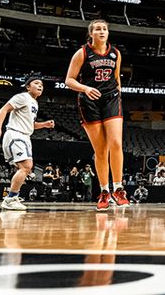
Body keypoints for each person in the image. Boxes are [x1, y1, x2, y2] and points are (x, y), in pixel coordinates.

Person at [65, 19, 126, 211]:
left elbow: (116, 79)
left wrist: (118, 96)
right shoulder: (82, 53)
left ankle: (118, 188)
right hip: (89, 101)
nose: (102, 31)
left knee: (116, 143)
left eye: (105, 29)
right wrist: (85, 88)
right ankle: (104, 191)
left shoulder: (115, 53)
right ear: (91, 33)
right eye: (98, 29)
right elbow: (69, 80)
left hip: (111, 99)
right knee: (101, 150)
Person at [0, 76, 54, 211]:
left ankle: (12, 197)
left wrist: (44, 125)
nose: (40, 86)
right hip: (15, 133)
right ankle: (10, 198)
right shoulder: (22, 97)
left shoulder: (34, 103)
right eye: (36, 83)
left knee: (25, 168)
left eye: (42, 84)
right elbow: (4, 109)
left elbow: (30, 125)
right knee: (26, 166)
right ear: (28, 87)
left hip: (25, 136)